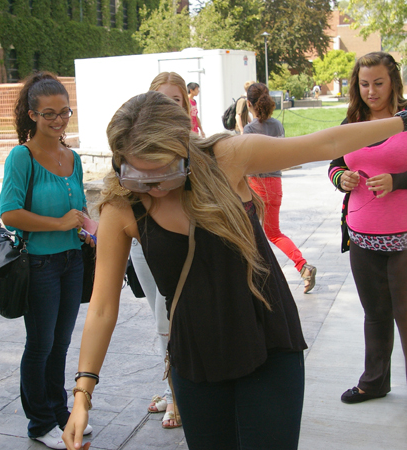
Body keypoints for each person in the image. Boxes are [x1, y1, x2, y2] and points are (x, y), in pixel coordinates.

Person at [62, 89, 405, 450]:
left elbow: (325, 143)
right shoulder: (122, 206)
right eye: (137, 174)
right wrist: (83, 394)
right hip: (196, 355)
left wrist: (403, 121)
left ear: (185, 149)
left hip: (267, 338)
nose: (154, 186)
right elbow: (101, 307)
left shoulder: (226, 157)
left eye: (164, 171)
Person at [0, 72, 94, 449]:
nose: (58, 120)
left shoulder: (73, 158)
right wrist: (57, 223)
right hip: (38, 265)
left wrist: (86, 227)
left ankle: (59, 413)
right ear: (33, 114)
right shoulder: (22, 157)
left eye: (65, 112)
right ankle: (39, 423)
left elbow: (79, 207)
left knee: (61, 343)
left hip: (72, 261)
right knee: (39, 345)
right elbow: (9, 212)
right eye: (49, 113)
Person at [328, 51, 407, 404]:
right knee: (375, 314)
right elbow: (334, 163)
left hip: (404, 238)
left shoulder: (405, 119)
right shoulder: (351, 125)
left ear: (393, 82)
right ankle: (374, 383)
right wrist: (340, 177)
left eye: (378, 83)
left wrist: (398, 180)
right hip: (362, 237)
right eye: (364, 84)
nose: (371, 91)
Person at [130, 71, 191, 429]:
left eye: (176, 100)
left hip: (177, 249)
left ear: (186, 105)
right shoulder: (133, 144)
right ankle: (170, 387)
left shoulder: (195, 148)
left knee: (167, 319)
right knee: (161, 325)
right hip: (143, 247)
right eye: (160, 99)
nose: (168, 106)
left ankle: (177, 396)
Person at [245, 82, 317, 293]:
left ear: (249, 104)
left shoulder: (249, 130)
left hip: (255, 185)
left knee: (249, 233)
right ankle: (303, 266)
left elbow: (245, 161)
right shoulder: (277, 126)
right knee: (274, 233)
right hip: (275, 184)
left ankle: (254, 279)